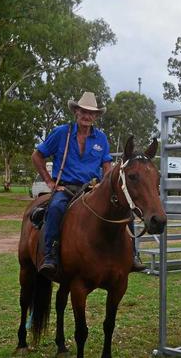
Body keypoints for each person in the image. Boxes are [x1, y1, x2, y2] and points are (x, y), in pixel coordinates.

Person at [32, 92, 146, 276]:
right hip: (67, 188)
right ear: (76, 112)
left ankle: (132, 255)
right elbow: (37, 156)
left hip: (93, 188)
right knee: (55, 208)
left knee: (124, 211)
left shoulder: (101, 138)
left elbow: (107, 166)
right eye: (83, 111)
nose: (87, 116)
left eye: (91, 113)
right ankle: (50, 255)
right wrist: (49, 181)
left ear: (96, 116)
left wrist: (109, 186)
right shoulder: (62, 133)